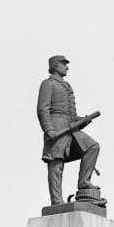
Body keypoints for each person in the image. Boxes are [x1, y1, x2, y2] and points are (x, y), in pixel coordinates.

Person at [36, 55, 100, 205]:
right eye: (63, 64)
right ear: (55, 66)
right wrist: (48, 129)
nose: (67, 67)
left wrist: (82, 120)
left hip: (70, 128)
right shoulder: (48, 84)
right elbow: (42, 109)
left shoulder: (67, 86)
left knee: (92, 147)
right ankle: (57, 200)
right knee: (56, 163)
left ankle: (84, 182)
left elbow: (69, 115)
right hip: (56, 127)